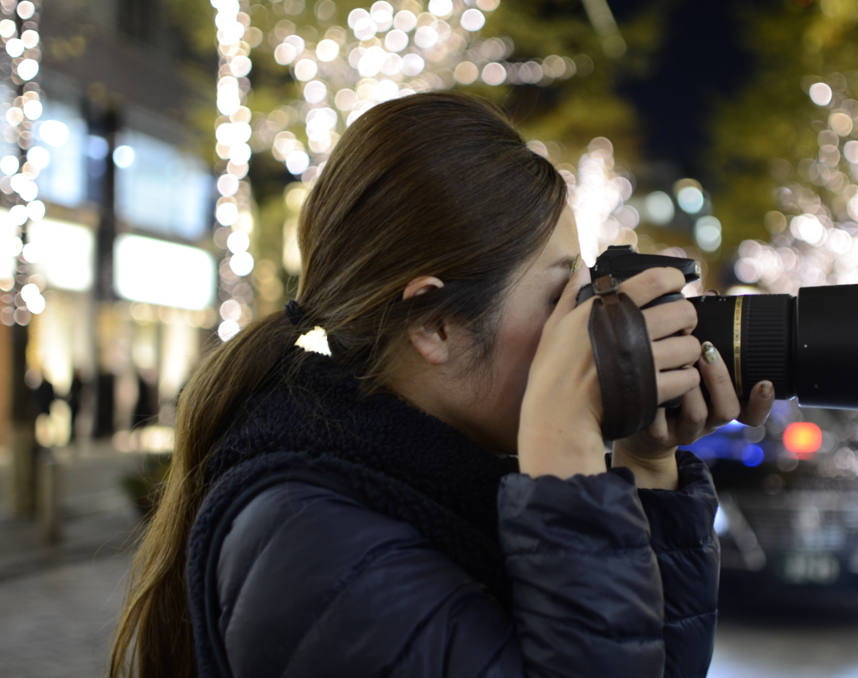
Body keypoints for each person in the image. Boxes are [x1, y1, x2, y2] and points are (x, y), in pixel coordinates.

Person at [108, 91, 773, 678]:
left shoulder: (442, 484)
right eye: (556, 295)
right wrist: (563, 453)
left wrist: (646, 463)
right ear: (436, 323)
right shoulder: (314, 550)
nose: (586, 323)